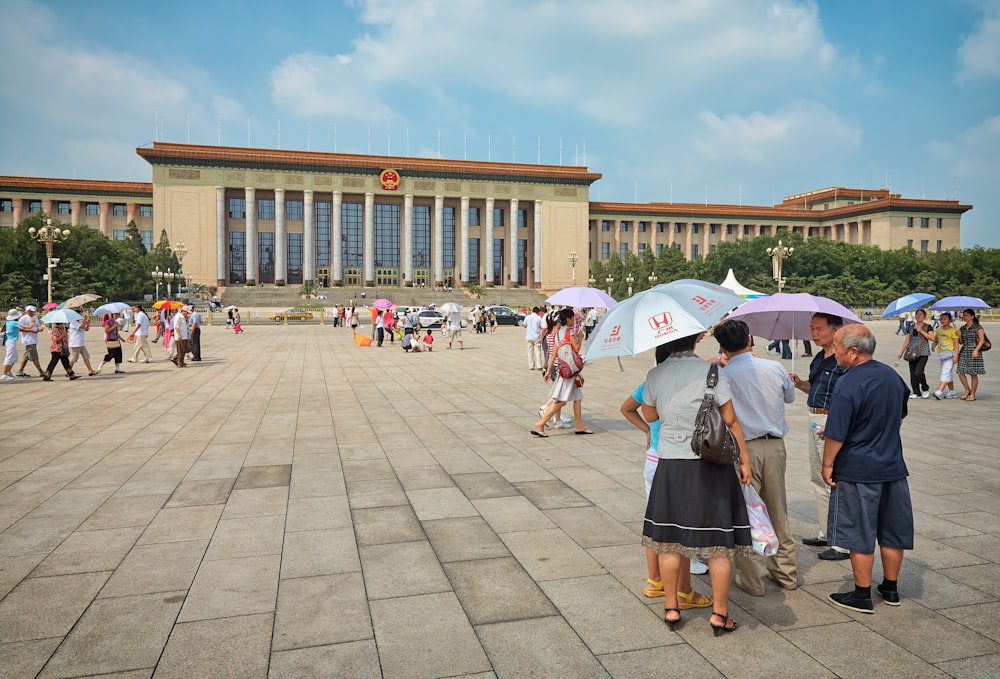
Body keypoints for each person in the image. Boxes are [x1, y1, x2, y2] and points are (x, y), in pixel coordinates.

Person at [640, 331, 753, 635]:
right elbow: (730, 420)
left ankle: (672, 607)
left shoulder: (655, 373)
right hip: (710, 465)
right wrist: (744, 459)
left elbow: (650, 414)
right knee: (718, 545)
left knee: (668, 541)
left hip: (671, 464)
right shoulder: (711, 372)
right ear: (695, 340)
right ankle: (719, 614)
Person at [822, 325, 912, 614]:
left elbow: (836, 433)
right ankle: (891, 587)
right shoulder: (892, 376)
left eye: (837, 346)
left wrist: (827, 463)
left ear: (853, 351)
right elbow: (898, 417)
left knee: (859, 531)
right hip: (892, 466)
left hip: (858, 469)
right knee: (891, 530)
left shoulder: (848, 383)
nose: (834, 351)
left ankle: (862, 594)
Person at [620, 343, 713, 607]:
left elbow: (626, 408)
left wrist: (647, 430)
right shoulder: (686, 384)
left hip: (654, 459)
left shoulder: (650, 382)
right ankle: (683, 590)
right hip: (676, 461)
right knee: (678, 526)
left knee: (656, 522)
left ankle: (654, 581)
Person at [714, 319, 798, 595]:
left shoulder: (721, 376)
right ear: (750, 340)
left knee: (747, 513)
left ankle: (751, 579)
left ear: (722, 348)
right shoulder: (774, 367)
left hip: (741, 450)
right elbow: (789, 398)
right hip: (774, 446)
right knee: (777, 509)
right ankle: (786, 573)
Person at [789, 313, 850, 561]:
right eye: (811, 329)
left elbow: (848, 396)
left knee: (833, 478)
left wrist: (837, 425)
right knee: (818, 477)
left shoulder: (843, 359)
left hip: (830, 421)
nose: (814, 333)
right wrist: (800, 383)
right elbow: (814, 389)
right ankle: (826, 532)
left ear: (836, 330)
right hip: (814, 416)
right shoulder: (819, 358)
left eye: (819, 329)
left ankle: (842, 542)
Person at [533, 308, 592, 436]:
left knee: (578, 398)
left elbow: (554, 353)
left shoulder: (558, 333)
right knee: (561, 401)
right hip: (570, 371)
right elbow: (576, 349)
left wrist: (548, 370)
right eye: (573, 319)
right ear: (569, 319)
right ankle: (541, 423)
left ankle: (580, 426)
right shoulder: (570, 332)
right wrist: (580, 338)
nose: (574, 321)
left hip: (563, 369)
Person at [896, 309, 934, 399]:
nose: (918, 316)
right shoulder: (911, 326)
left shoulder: (928, 327)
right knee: (912, 373)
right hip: (912, 351)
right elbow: (907, 340)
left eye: (921, 314)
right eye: (917, 314)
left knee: (918, 372)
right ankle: (916, 392)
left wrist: (921, 331)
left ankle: (925, 388)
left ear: (924, 316)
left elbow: (932, 338)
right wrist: (901, 351)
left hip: (923, 352)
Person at [956, 308, 986, 401]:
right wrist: (959, 335)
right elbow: (961, 342)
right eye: (963, 315)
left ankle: (973, 394)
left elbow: (982, 340)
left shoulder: (978, 328)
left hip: (974, 351)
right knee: (960, 371)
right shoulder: (962, 328)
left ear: (972, 316)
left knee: (973, 373)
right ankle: (967, 390)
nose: (964, 317)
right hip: (964, 350)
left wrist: (976, 350)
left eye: (966, 315)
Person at [931, 312, 960, 399]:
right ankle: (952, 391)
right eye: (941, 319)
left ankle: (939, 391)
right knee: (948, 373)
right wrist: (933, 345)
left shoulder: (953, 330)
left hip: (950, 354)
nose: (943, 321)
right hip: (941, 354)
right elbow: (936, 339)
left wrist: (956, 355)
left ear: (950, 320)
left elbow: (956, 344)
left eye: (945, 319)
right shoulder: (939, 329)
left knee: (945, 372)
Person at [16, 306, 44, 378]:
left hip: (34, 338)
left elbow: (38, 326)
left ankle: (20, 370)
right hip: (28, 339)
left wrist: (39, 329)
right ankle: (40, 370)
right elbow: (20, 328)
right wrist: (31, 330)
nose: (31, 312)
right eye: (29, 311)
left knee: (26, 356)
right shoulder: (23, 318)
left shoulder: (35, 318)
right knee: (34, 356)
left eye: (32, 311)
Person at [68, 308, 98, 376]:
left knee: (86, 356)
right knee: (74, 358)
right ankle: (68, 370)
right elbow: (81, 327)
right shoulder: (73, 322)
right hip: (75, 343)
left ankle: (90, 370)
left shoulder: (79, 322)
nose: (80, 315)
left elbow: (86, 329)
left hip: (80, 342)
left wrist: (88, 324)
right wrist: (84, 320)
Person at [1, 308, 21, 380]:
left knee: (14, 357)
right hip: (11, 341)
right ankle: (4, 374)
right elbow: (24, 327)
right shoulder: (14, 323)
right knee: (9, 357)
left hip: (9, 340)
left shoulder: (8, 322)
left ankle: (8, 371)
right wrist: (32, 325)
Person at [524, 307, 545, 371]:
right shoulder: (539, 318)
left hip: (529, 336)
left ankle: (531, 366)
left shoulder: (527, 317)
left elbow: (524, 325)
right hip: (536, 337)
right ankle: (539, 366)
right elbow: (542, 327)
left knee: (530, 352)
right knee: (538, 351)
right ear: (538, 312)